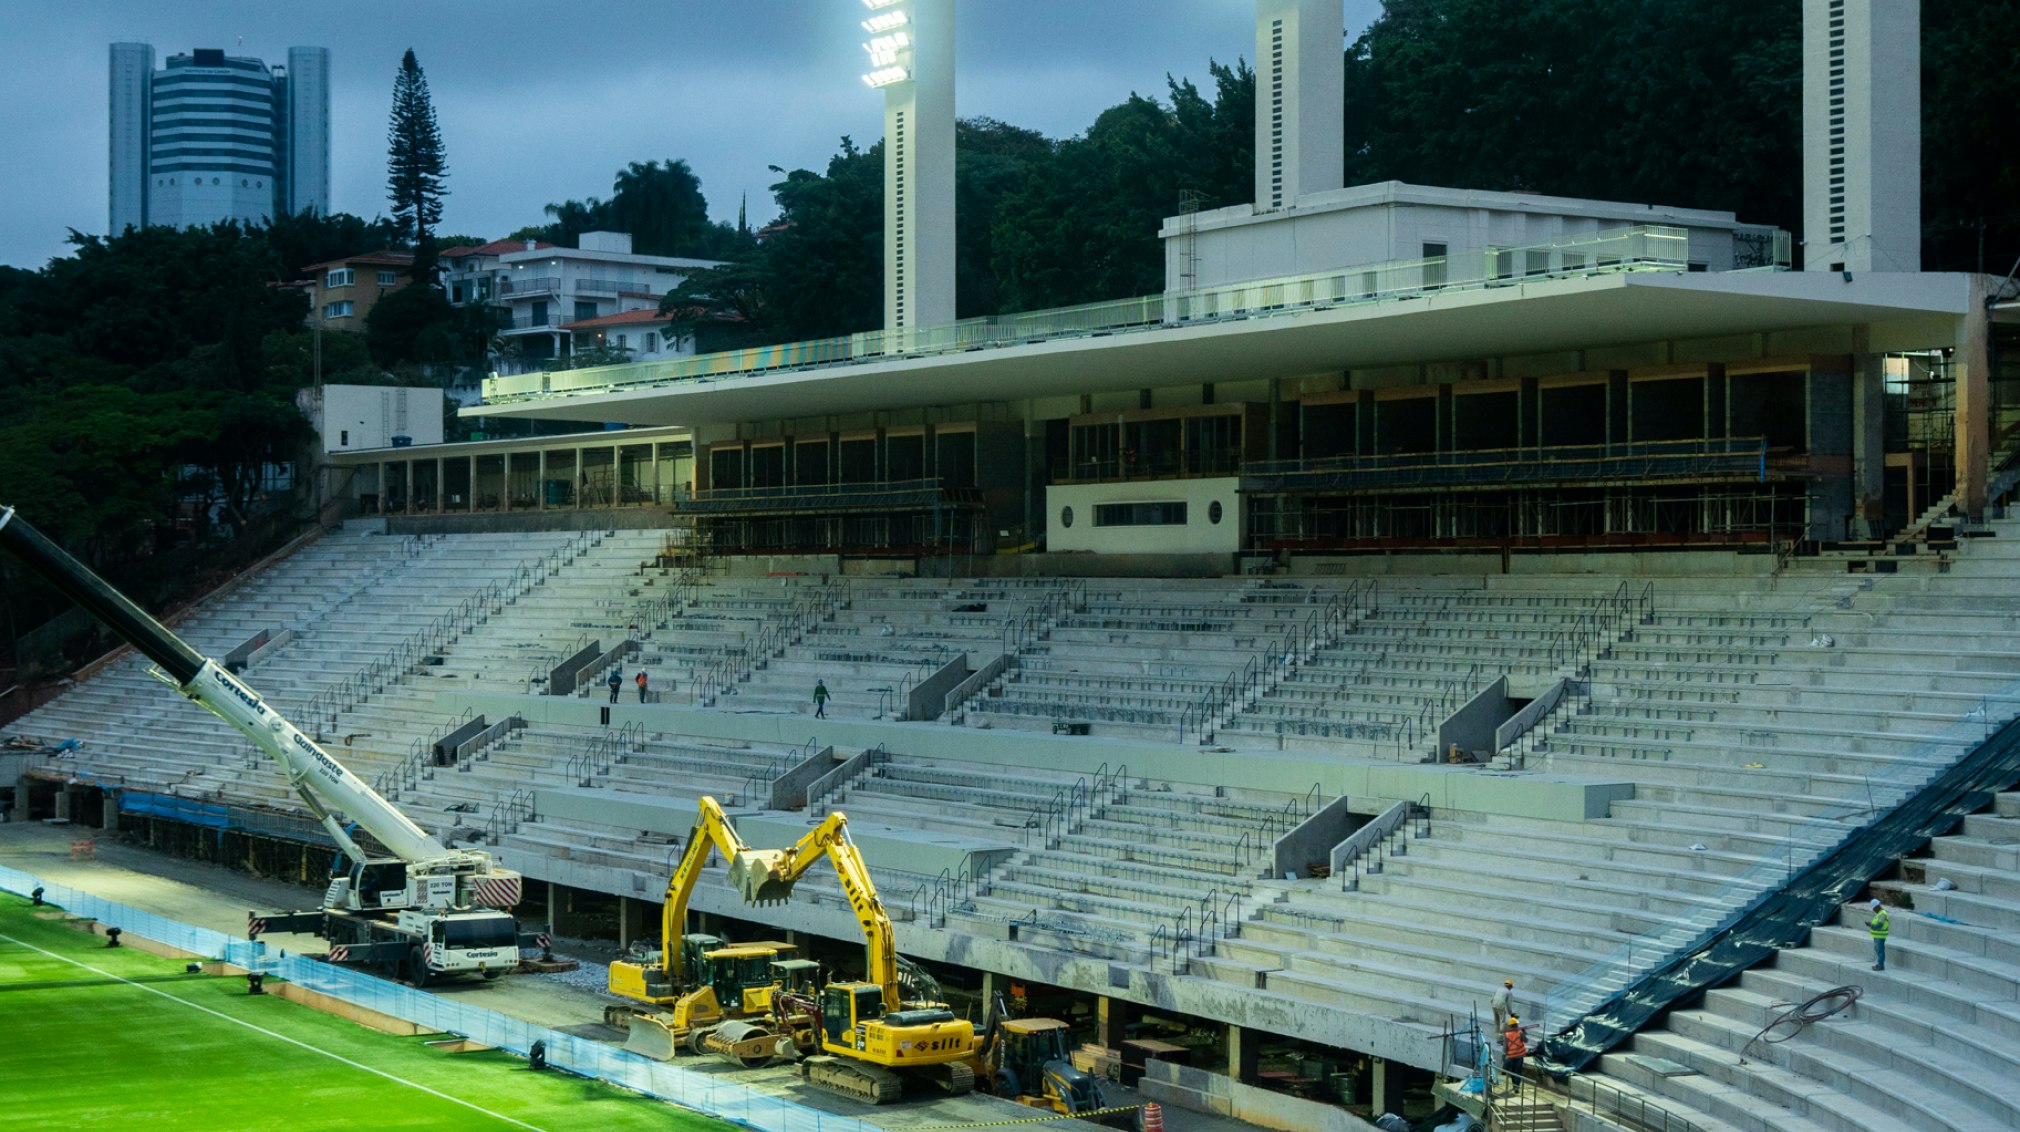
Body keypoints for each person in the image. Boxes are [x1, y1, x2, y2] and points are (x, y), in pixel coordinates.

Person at [1866, 898, 1889, 970]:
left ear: (1877, 906)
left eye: (1874, 908)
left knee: (1880, 950)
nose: (1873, 910)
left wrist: (1871, 925)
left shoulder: (1882, 914)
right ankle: (1879, 964)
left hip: (1880, 936)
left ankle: (1880, 965)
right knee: (1878, 950)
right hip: (1877, 935)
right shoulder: (1878, 913)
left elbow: (1879, 925)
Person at [1502, 1017, 1528, 1082]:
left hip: (1511, 1056)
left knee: (1512, 1071)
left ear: (1510, 1026)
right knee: (1518, 1072)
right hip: (1519, 1056)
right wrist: (1524, 1033)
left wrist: (1505, 1055)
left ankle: (1514, 1086)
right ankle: (1517, 1087)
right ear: (1516, 1025)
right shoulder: (1520, 1033)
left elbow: (1505, 1047)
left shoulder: (1507, 1035)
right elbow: (1526, 1040)